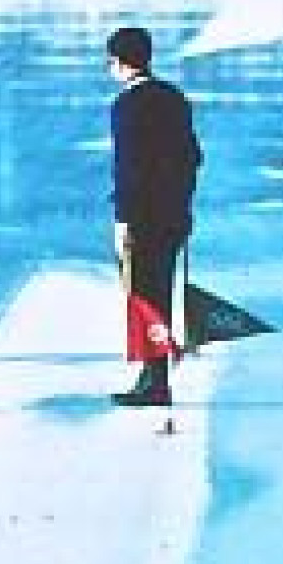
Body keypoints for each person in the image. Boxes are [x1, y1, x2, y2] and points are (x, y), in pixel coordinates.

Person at [107, 26, 203, 407]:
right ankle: (156, 375)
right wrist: (182, 204)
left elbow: (129, 168)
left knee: (142, 297)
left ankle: (155, 377)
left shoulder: (127, 105)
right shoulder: (174, 98)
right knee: (161, 294)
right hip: (174, 215)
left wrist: (123, 220)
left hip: (142, 219)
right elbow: (193, 157)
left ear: (118, 63)